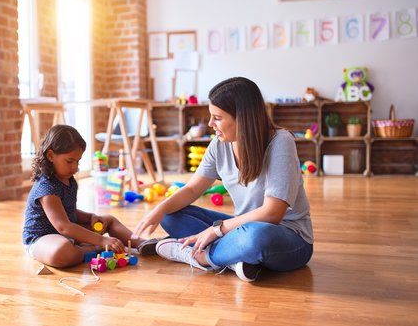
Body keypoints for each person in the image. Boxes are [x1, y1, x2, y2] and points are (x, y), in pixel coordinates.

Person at [132, 77, 314, 282]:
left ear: (243, 119)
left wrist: (216, 230)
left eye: (217, 118)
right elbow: (192, 189)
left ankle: (201, 257)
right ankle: (236, 259)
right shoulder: (219, 145)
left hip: (288, 238)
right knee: (170, 214)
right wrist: (160, 210)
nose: (210, 124)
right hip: (239, 229)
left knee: (254, 236)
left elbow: (272, 213)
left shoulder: (281, 142)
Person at [22, 124, 157, 268]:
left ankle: (140, 243)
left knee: (108, 220)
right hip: (42, 239)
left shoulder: (69, 180)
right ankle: (95, 249)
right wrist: (101, 241)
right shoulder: (46, 187)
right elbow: (63, 226)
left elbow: (70, 212)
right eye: (69, 161)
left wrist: (91, 217)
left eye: (77, 161)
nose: (75, 168)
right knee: (62, 252)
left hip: (67, 234)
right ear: (50, 155)